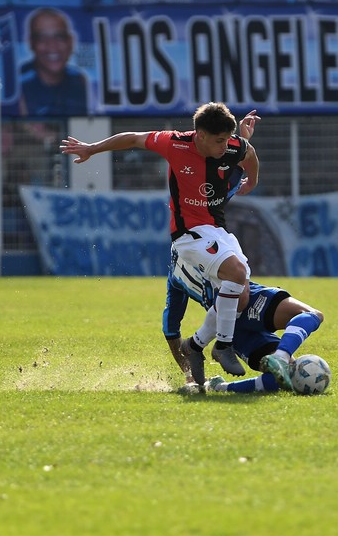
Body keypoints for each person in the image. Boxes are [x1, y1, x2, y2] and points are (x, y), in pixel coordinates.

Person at [60, 103, 260, 384]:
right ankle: (223, 346)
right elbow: (133, 138)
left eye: (227, 139)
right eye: (218, 140)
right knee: (236, 274)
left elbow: (248, 153)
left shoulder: (232, 146)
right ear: (199, 134)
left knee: (241, 296)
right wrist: (92, 148)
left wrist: (252, 180)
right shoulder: (175, 143)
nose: (224, 146)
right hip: (187, 233)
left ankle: (194, 345)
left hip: (218, 231)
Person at [164, 246, 324, 394]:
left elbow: (170, 329)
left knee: (283, 376)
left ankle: (218, 387)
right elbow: (238, 269)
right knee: (312, 315)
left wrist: (188, 374)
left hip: (229, 328)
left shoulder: (175, 276)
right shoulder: (203, 239)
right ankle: (281, 356)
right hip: (248, 299)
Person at [19, 8, 88, 116]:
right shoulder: (19, 81)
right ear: (31, 43)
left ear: (71, 41)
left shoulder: (78, 79)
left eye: (59, 37)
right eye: (42, 38)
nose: (52, 45)